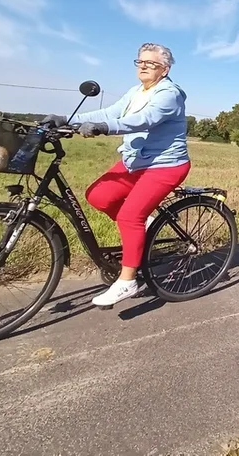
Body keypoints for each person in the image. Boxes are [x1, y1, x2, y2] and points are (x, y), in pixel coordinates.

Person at [42, 42, 191, 307]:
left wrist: (104, 128)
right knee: (98, 196)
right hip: (135, 161)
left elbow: (145, 119)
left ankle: (127, 281)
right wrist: (67, 119)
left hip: (165, 165)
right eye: (140, 62)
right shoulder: (136, 91)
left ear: (165, 70)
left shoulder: (170, 94)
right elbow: (110, 112)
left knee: (129, 215)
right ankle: (145, 228)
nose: (144, 66)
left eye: (151, 63)